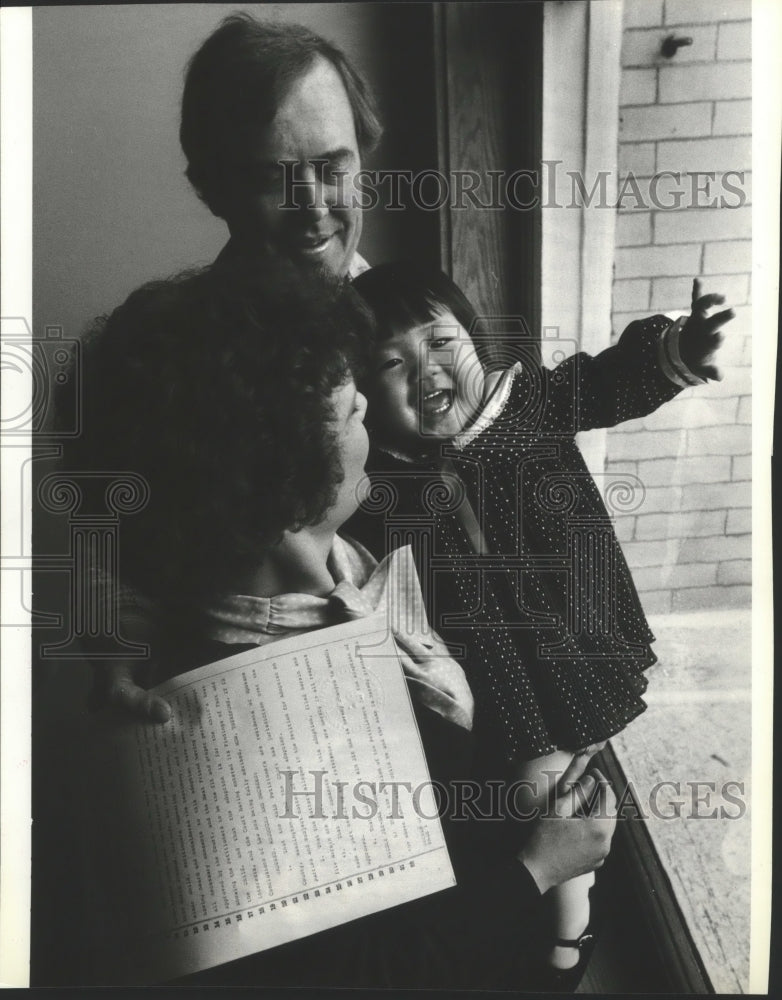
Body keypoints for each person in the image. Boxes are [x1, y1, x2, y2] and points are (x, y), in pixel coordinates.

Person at [58, 256, 617, 988]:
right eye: (352, 409)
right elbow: (369, 974)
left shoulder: (355, 542)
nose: (367, 408)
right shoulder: (237, 728)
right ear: (281, 483)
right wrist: (541, 866)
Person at [347, 261, 734, 978]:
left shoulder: (526, 402)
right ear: (363, 393)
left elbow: (608, 383)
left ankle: (570, 901)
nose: (424, 370)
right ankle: (570, 923)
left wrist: (681, 352)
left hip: (567, 634)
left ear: (476, 339)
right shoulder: (380, 480)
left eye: (440, 342)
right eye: (390, 364)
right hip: (492, 665)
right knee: (536, 788)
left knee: (574, 762)